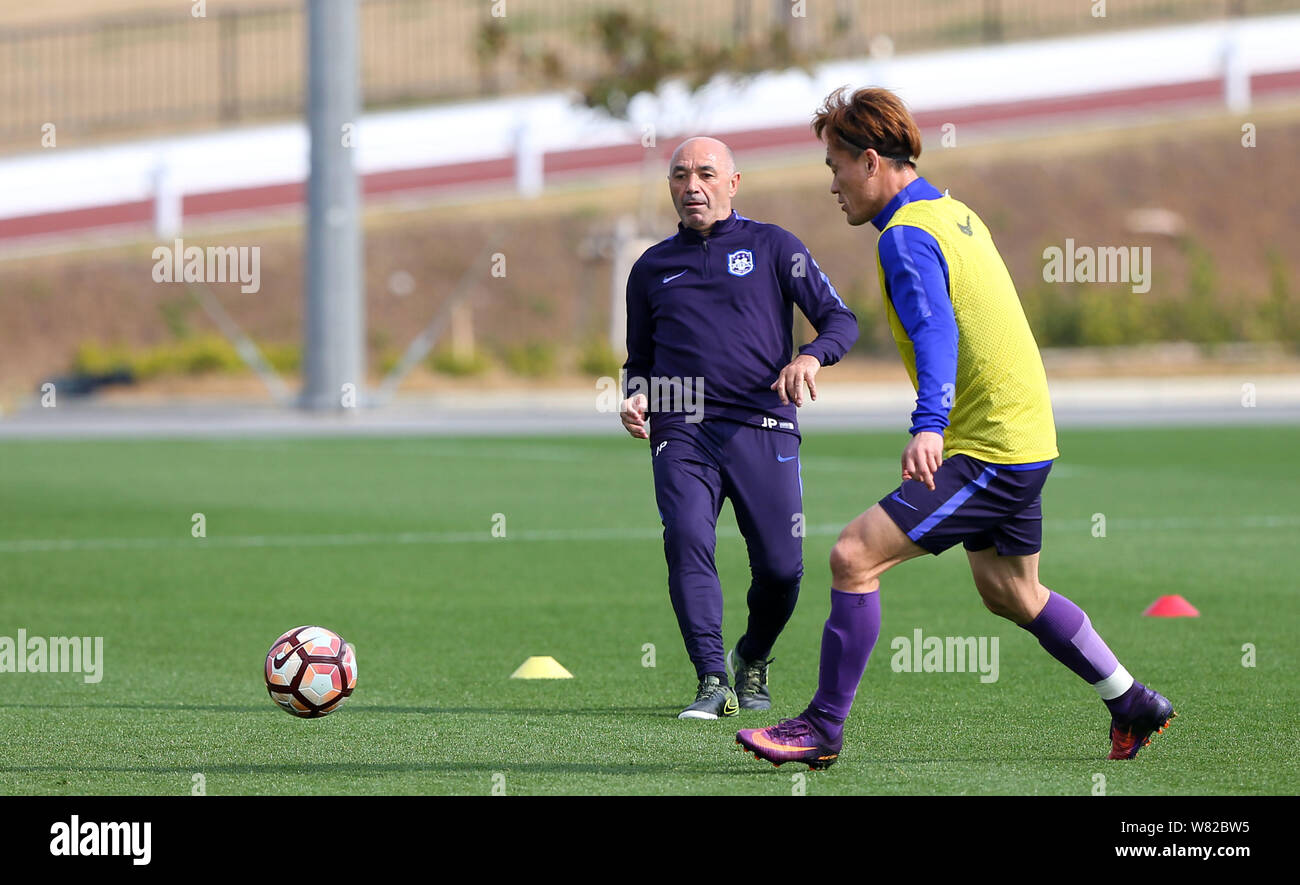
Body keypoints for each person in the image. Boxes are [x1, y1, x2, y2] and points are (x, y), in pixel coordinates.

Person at [737, 87, 1175, 767]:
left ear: (873, 161)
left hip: (989, 445)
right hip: (1026, 436)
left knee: (853, 556)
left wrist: (929, 425)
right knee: (1011, 591)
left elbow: (936, 331)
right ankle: (1131, 700)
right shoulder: (952, 211)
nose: (832, 185)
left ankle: (821, 728)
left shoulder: (906, 236)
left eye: (835, 167)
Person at [620, 136, 859, 719]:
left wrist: (809, 357)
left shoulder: (775, 246)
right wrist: (633, 396)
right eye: (679, 175)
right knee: (687, 541)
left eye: (705, 173)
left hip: (764, 424)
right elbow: (640, 361)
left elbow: (839, 320)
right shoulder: (650, 268)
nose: (691, 185)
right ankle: (711, 679)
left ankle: (753, 655)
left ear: (733, 182)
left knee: (782, 567)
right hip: (682, 429)